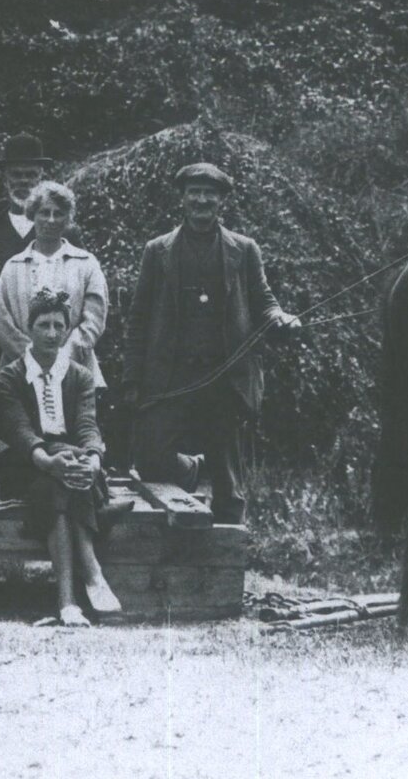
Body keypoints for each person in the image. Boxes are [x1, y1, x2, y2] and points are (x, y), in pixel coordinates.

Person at [121, 162, 302, 525]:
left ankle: (229, 552)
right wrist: (132, 379)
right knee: (151, 459)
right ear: (182, 199)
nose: (202, 200)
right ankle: (190, 472)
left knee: (227, 478)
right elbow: (138, 318)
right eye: (195, 192)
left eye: (210, 193)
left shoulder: (244, 249)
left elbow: (263, 302)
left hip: (225, 375)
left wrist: (281, 319)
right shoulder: (157, 251)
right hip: (171, 375)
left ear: (221, 201)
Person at [0, 288, 119, 627]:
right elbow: (19, 432)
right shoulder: (9, 377)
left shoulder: (80, 375)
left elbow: (88, 426)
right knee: (56, 476)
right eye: (43, 325)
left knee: (59, 487)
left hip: (71, 468)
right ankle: (92, 572)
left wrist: (92, 459)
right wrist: (50, 461)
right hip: (26, 465)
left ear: (67, 329)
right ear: (29, 329)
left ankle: (67, 603)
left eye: (59, 326)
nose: (51, 334)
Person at [0, 180, 108, 391]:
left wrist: (63, 359)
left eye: (59, 213)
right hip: (21, 375)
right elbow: (3, 325)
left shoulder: (86, 263)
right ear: (32, 215)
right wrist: (32, 360)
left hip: (76, 372)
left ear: (68, 219)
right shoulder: (13, 266)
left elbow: (94, 319)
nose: (51, 219)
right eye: (44, 212)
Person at [0, 133, 82, 274]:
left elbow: (85, 279)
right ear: (5, 179)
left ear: (41, 177)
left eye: (31, 174)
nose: (24, 181)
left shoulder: (65, 230)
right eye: (16, 175)